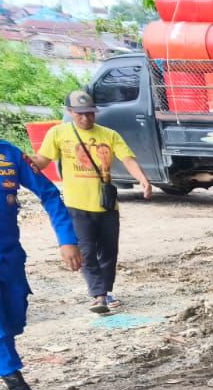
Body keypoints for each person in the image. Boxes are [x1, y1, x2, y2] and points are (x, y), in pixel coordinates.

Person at [0, 89, 82, 390]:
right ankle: (18, 387)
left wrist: (67, 240)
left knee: (12, 320)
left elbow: (50, 195)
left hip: (10, 256)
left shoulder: (8, 154)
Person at [26, 89, 151, 315]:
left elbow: (127, 158)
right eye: (80, 114)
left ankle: (105, 290)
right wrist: (26, 161)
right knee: (86, 251)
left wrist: (142, 179)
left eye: (90, 113)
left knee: (109, 251)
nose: (85, 118)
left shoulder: (109, 135)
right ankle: (98, 295)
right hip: (76, 205)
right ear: (70, 112)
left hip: (106, 204)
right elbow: (42, 160)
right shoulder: (58, 134)